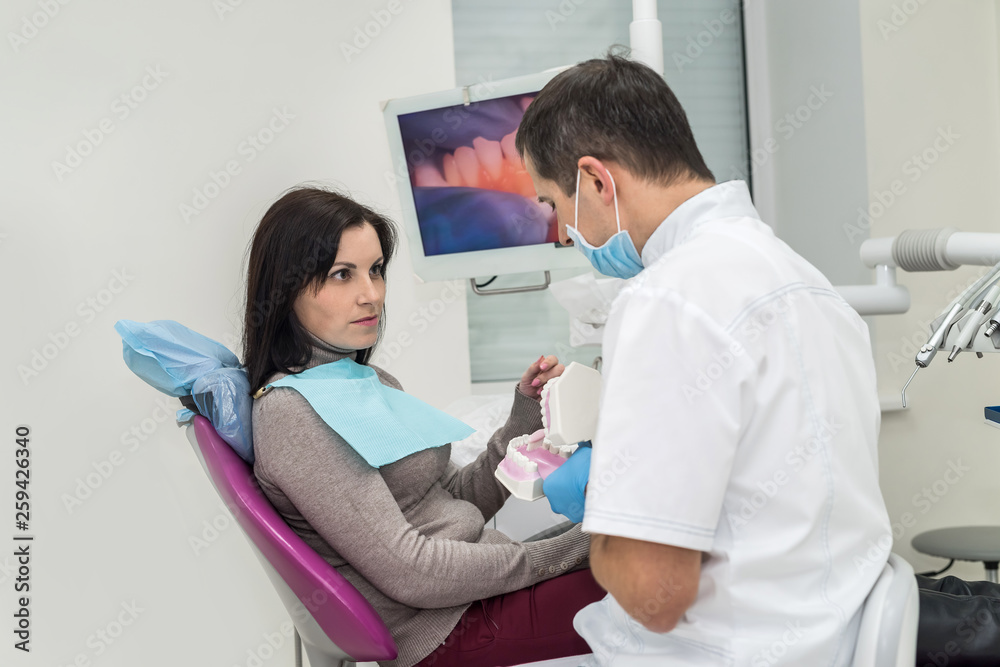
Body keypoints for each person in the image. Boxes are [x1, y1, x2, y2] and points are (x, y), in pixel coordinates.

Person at [517, 51, 1000, 666]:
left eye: (553, 204)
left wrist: (608, 508)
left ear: (595, 180)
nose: (561, 232)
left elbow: (654, 594)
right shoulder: (811, 286)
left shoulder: (666, 300)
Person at [241, 187, 606, 667]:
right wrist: (572, 547)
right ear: (284, 288)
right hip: (447, 631)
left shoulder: (362, 379)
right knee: (665, 575)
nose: (370, 294)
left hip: (475, 594)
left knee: (650, 548)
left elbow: (452, 499)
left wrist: (522, 415)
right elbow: (412, 571)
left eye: (375, 270)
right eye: (341, 275)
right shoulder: (293, 413)